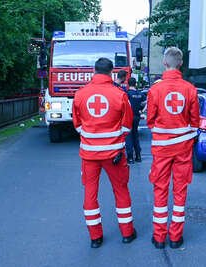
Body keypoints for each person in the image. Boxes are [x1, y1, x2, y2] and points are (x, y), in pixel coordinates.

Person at [73, 58, 137, 248]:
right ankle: (127, 233)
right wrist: (114, 140)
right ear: (111, 72)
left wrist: (93, 138)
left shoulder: (80, 94)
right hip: (114, 155)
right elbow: (127, 126)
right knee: (121, 191)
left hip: (89, 155)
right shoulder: (119, 94)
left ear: (94, 71)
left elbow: (77, 125)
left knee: (90, 194)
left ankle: (95, 238)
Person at [146, 47, 200, 249]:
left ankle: (159, 238)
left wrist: (164, 132)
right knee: (180, 191)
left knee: (160, 190)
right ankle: (176, 238)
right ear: (181, 64)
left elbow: (150, 120)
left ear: (165, 63)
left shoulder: (155, 89)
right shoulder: (190, 89)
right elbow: (195, 122)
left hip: (161, 149)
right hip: (183, 149)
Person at [125, 77, 146, 164]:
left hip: (129, 117)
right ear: (135, 84)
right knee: (135, 135)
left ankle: (130, 158)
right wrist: (142, 110)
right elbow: (146, 102)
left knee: (129, 136)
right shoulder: (140, 94)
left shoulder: (127, 94)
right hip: (137, 117)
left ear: (128, 84)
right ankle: (138, 156)